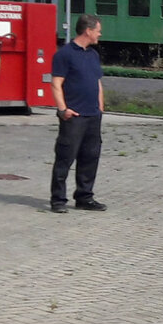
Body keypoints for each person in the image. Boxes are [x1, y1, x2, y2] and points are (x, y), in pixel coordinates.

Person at [50, 14, 107, 214]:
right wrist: (63, 109)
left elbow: (97, 81)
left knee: (90, 157)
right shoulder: (64, 54)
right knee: (65, 158)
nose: (100, 33)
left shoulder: (93, 54)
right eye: (98, 30)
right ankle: (58, 200)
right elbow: (56, 84)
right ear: (88, 31)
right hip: (74, 116)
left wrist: (100, 105)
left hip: (93, 115)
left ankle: (84, 197)